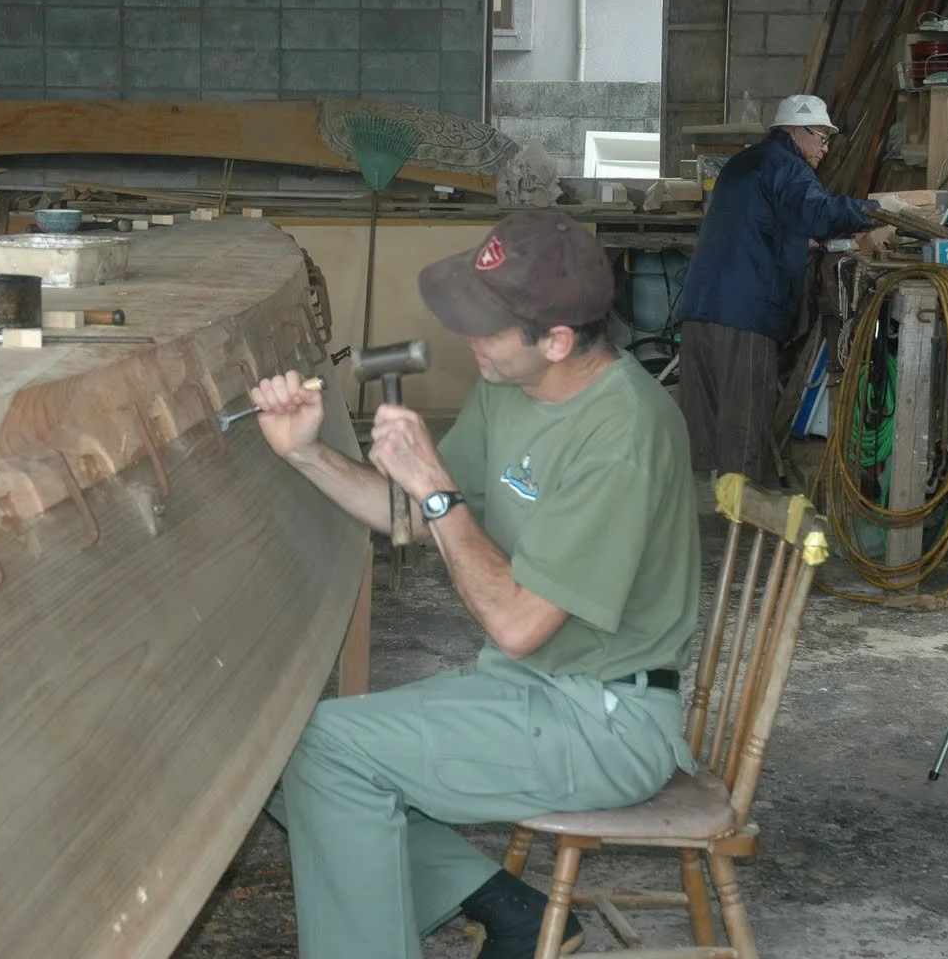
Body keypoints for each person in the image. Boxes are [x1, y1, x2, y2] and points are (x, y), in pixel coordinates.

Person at [250, 210, 701, 959]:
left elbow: (517, 622)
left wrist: (433, 487)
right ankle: (508, 912)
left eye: (488, 327)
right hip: (524, 686)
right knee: (273, 748)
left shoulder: (623, 434)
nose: (470, 340)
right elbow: (416, 519)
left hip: (605, 719)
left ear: (556, 340)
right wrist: (307, 456)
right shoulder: (510, 387)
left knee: (329, 751)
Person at [676, 93, 876, 486]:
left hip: (702, 305)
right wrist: (878, 210)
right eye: (820, 136)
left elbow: (756, 224)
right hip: (744, 314)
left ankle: (700, 513)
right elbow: (818, 213)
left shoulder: (743, 163)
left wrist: (794, 243)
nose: (824, 148)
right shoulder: (786, 165)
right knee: (744, 418)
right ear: (795, 131)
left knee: (703, 417)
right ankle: (742, 520)